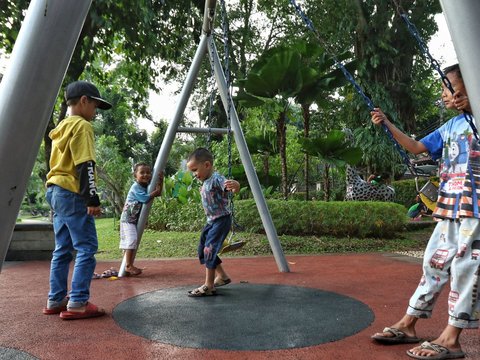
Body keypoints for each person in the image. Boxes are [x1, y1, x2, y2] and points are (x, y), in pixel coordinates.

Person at [370, 64, 479, 359]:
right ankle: (409, 323)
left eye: (450, 88)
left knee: (465, 269)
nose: (444, 95)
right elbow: (418, 147)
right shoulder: (452, 125)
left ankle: (452, 338)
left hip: (477, 209)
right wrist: (388, 124)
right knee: (433, 263)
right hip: (450, 205)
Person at [43, 80, 112, 320]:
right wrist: (92, 198)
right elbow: (85, 165)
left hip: (55, 191)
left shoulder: (61, 127)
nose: (95, 112)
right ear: (84, 101)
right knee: (86, 247)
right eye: (95, 106)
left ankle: (56, 299)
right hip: (72, 193)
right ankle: (78, 302)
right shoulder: (82, 126)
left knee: (62, 249)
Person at [186, 148, 240, 297]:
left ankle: (209, 285)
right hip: (211, 222)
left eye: (195, 170)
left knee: (209, 250)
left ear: (207, 165)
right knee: (203, 250)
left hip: (221, 220)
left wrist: (235, 185)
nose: (194, 174)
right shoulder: (205, 181)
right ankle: (222, 276)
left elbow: (229, 185)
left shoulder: (216, 178)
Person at [119, 162, 163, 275]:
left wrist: (160, 182)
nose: (145, 175)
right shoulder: (135, 187)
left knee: (129, 241)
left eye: (148, 172)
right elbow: (145, 199)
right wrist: (156, 191)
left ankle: (126, 265)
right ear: (135, 175)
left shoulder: (145, 186)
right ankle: (128, 265)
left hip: (132, 219)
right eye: (142, 172)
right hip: (128, 218)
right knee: (131, 240)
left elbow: (157, 193)